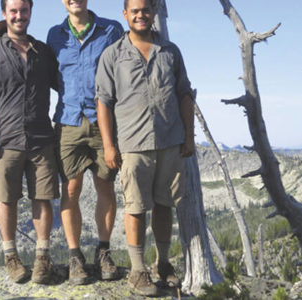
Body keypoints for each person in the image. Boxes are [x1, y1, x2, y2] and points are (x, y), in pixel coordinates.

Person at [95, 0, 195, 296]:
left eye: (145, 9)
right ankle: (137, 271)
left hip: (169, 141)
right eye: (134, 10)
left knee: (164, 205)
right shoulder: (113, 55)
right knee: (136, 207)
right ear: (125, 15)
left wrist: (189, 137)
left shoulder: (171, 52)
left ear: (154, 12)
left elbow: (184, 95)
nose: (140, 15)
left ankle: (162, 264)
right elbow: (104, 103)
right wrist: (109, 145)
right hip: (133, 144)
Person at [0, 0, 59, 285]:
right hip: (6, 139)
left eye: (24, 10)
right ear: (4, 14)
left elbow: (64, 83)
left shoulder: (43, 52)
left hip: (41, 138)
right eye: (13, 10)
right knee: (7, 199)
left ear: (30, 12)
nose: (19, 15)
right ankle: (11, 256)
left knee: (43, 198)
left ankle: (41, 258)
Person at [46, 0, 124, 285]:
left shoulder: (111, 30)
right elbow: (55, 78)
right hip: (68, 121)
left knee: (105, 184)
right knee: (71, 189)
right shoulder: (55, 35)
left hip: (104, 120)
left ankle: (103, 252)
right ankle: (75, 256)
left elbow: (121, 71)